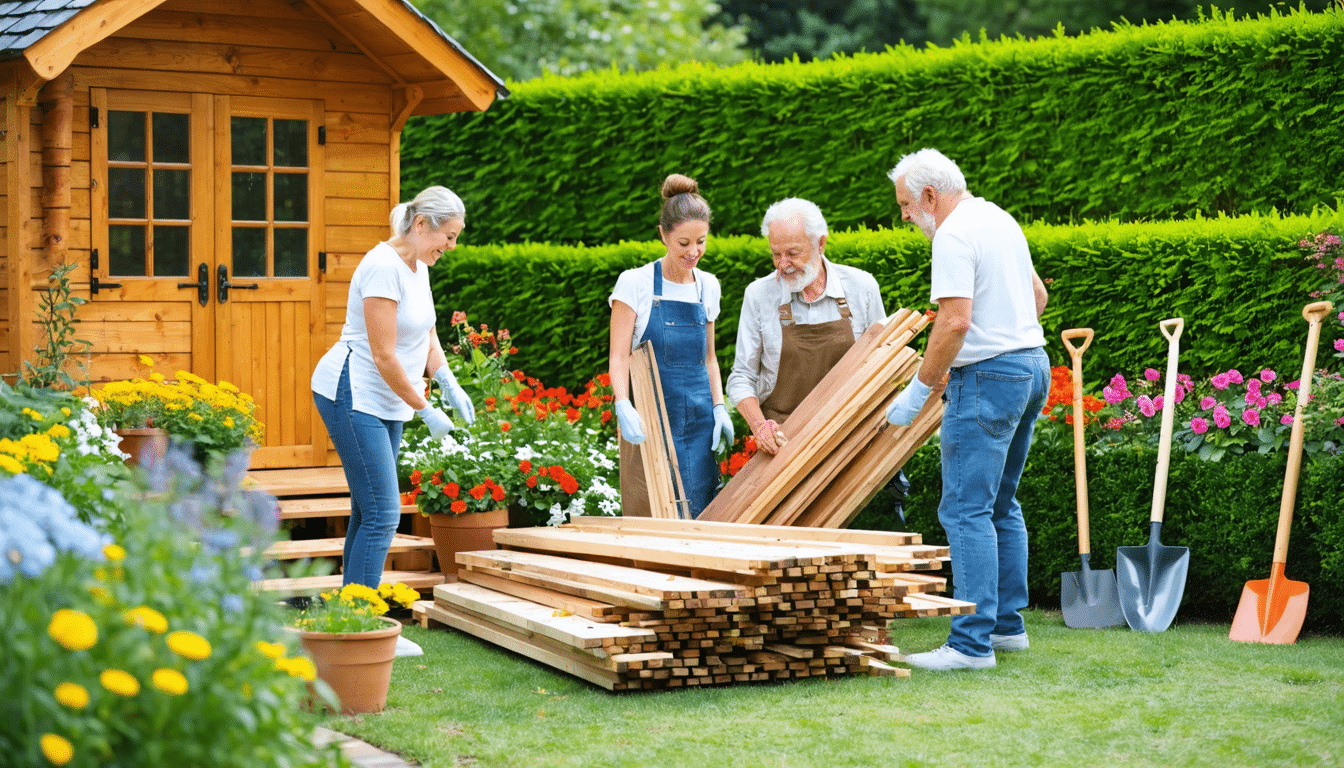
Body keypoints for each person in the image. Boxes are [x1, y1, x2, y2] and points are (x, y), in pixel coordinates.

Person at [884, 148, 1050, 671]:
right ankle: (1006, 627)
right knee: (1001, 502)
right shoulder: (999, 218)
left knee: (964, 509)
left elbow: (953, 322)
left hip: (989, 376)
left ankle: (971, 645)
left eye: (906, 206)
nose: (906, 216)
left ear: (930, 195)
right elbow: (1038, 296)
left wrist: (919, 388)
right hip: (1032, 365)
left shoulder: (954, 234)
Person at [310, 185, 476, 598]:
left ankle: (349, 616)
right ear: (421, 225)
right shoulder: (382, 266)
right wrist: (425, 409)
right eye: (448, 236)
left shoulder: (417, 265)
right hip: (353, 391)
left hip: (387, 398)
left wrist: (447, 382)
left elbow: (426, 333)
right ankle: (362, 621)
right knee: (383, 513)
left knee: (368, 510)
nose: (451, 247)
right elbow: (384, 355)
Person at [608, 174, 734, 518]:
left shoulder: (708, 286)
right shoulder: (634, 283)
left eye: (701, 242)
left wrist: (720, 407)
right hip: (648, 423)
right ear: (663, 234)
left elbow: (709, 358)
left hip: (698, 424)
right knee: (650, 518)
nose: (693, 252)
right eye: (683, 243)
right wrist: (622, 403)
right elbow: (618, 356)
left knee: (700, 516)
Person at [726, 198, 886, 454]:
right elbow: (742, 377)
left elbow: (883, 361)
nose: (782, 264)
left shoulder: (862, 287)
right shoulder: (759, 295)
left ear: (820, 243)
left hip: (849, 434)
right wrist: (759, 426)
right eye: (775, 254)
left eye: (792, 253)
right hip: (783, 442)